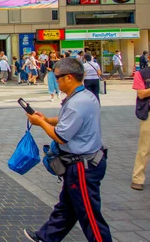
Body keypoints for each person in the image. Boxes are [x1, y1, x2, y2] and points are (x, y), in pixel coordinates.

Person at [24, 58, 111, 242]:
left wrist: (40, 123)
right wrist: (47, 119)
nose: (56, 81)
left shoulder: (77, 103)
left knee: (90, 215)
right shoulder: (83, 96)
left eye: (58, 77)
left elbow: (61, 136)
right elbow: (66, 122)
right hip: (85, 162)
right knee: (67, 207)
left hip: (82, 166)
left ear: (69, 77)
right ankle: (45, 237)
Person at [131, 65, 150, 191]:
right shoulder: (142, 74)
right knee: (144, 148)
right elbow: (141, 94)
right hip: (148, 115)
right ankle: (137, 178)